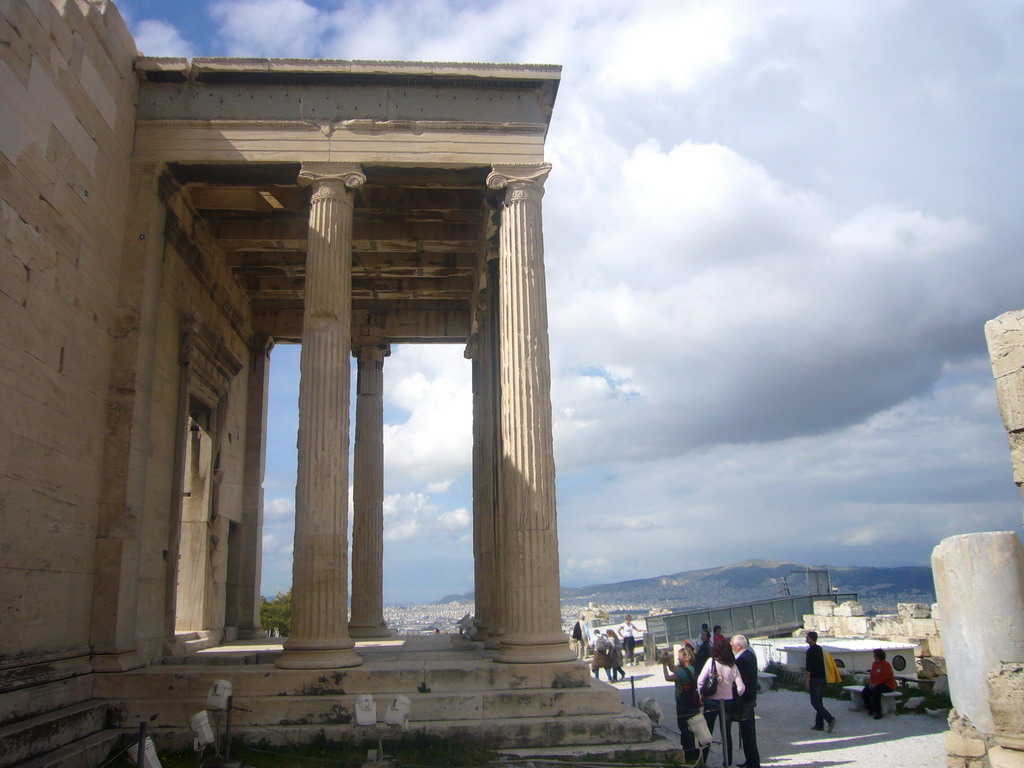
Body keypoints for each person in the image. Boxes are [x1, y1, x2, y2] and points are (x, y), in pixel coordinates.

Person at [698, 637, 745, 766]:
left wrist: (701, 695)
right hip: (728, 700)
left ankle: (703, 760)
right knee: (726, 732)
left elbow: (700, 680)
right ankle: (728, 760)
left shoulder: (711, 662)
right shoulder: (732, 665)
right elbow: (741, 687)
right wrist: (734, 693)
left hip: (712, 700)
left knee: (707, 732)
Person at [662, 645, 702, 763]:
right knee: (692, 729)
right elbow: (674, 669)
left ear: (686, 658)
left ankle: (688, 755)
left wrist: (664, 665)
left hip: (683, 704)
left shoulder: (683, 673)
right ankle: (694, 754)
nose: (678, 659)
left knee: (684, 730)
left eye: (679, 657)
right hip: (692, 703)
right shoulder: (691, 669)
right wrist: (668, 661)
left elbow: (668, 677)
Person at [730, 635, 760, 768]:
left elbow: (741, 683)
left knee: (748, 734)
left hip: (745, 701)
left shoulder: (742, 660)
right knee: (748, 733)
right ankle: (751, 761)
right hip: (749, 699)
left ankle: (753, 763)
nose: (731, 646)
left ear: (739, 646)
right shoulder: (749, 655)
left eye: (732, 644)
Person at [805, 631, 836, 732]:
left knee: (815, 703)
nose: (806, 638)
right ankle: (819, 725)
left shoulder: (810, 651)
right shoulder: (821, 650)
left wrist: (807, 680)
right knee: (819, 702)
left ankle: (830, 719)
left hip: (815, 679)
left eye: (807, 637)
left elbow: (809, 667)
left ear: (811, 638)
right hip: (823, 678)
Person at [862, 648, 896, 719]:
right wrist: (871, 683)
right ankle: (870, 708)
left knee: (876, 692)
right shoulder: (874, 664)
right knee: (865, 691)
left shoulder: (886, 665)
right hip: (876, 684)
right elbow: (872, 675)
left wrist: (875, 684)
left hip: (887, 685)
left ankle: (878, 712)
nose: (874, 657)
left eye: (875, 655)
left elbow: (886, 677)